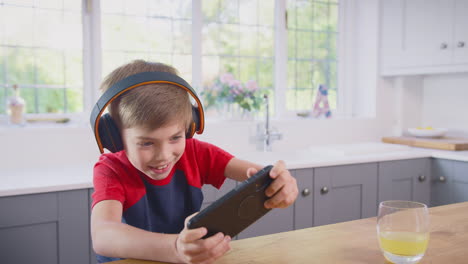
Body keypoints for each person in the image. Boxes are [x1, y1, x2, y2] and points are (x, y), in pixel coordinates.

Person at [90, 60, 299, 264]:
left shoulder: (194, 152)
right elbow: (103, 235)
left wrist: (280, 183)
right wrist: (174, 249)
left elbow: (257, 174)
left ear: (189, 127)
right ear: (115, 138)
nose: (164, 155)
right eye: (146, 143)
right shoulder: (110, 169)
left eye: (175, 137)